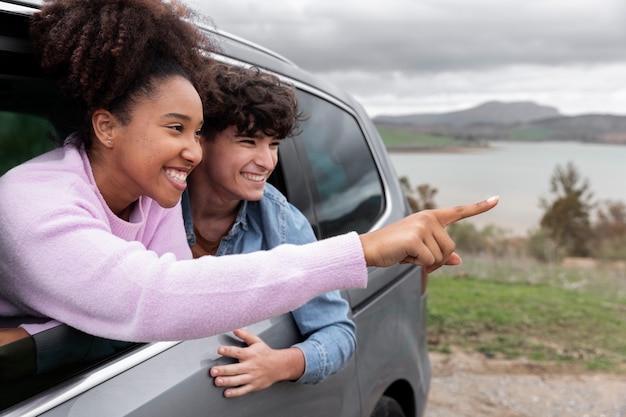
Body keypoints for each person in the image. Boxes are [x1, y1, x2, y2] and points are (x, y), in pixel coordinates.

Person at [0, 0, 498, 351]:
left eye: (197, 133)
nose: (192, 151)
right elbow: (152, 296)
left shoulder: (150, 197)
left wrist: (34, 336)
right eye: (176, 128)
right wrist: (362, 249)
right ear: (106, 126)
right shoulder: (35, 202)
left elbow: (173, 292)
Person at [180, 62, 355, 397]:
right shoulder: (153, 203)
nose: (267, 161)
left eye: (273, 144)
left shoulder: (284, 223)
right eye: (249, 141)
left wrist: (280, 365)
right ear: (200, 141)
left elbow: (338, 332)